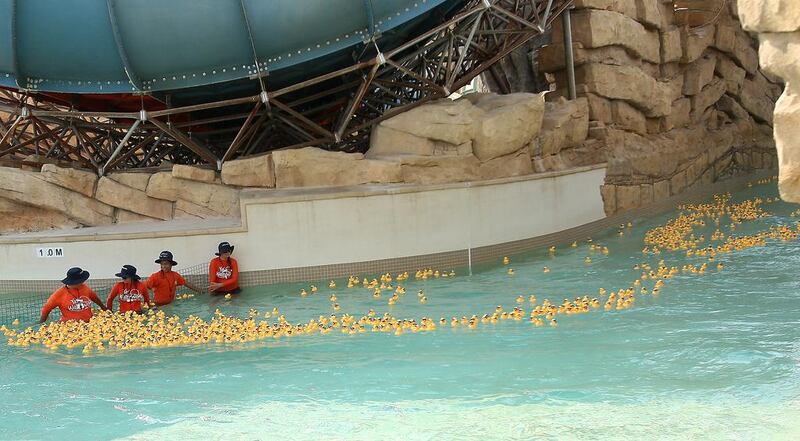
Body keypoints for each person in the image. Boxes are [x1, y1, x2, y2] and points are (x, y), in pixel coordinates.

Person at [40, 267, 107, 323]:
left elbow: (94, 297)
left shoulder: (84, 287)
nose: (83, 281)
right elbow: (46, 309)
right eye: (82, 280)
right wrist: (42, 323)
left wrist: (103, 308)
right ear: (76, 282)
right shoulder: (59, 294)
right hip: (71, 326)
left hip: (89, 324)